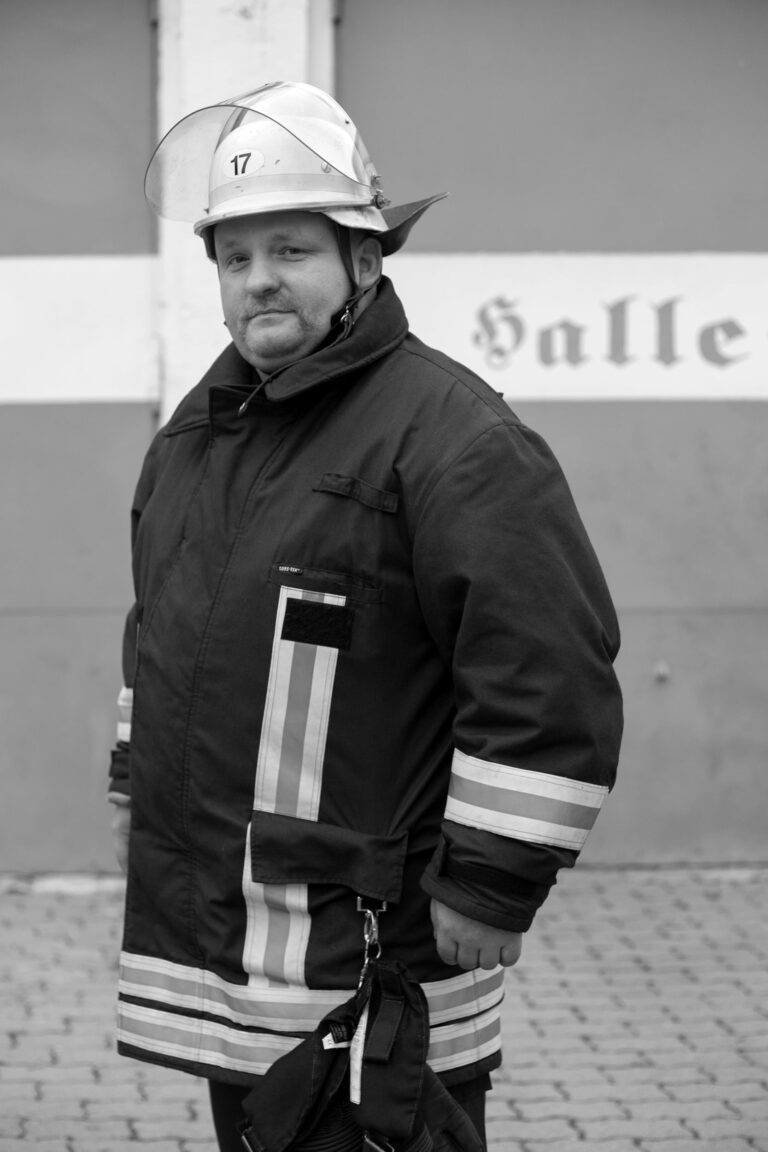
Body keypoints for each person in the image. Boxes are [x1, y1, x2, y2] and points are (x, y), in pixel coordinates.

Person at [108, 80, 623, 1151]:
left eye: (291, 250)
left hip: (374, 966)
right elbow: (158, 629)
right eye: (236, 257)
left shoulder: (455, 439)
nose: (259, 282)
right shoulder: (193, 439)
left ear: (365, 262)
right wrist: (133, 788)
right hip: (235, 962)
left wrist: (489, 885)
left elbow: (548, 676)